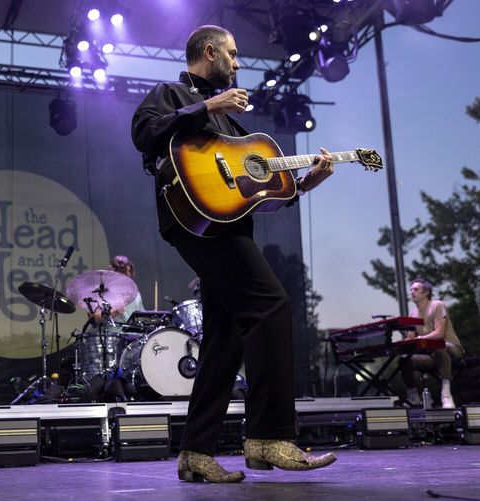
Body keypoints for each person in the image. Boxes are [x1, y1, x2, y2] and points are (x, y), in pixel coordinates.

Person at [131, 25, 336, 483]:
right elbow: (145, 134)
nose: (239, 64)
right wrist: (207, 105)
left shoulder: (233, 124)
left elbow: (256, 187)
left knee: (224, 335)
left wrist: (303, 185)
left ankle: (195, 452)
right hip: (194, 220)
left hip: (228, 223)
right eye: (234, 54)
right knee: (270, 306)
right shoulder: (170, 92)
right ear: (210, 52)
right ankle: (268, 436)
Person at [400, 278, 464, 409]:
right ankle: (413, 397)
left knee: (440, 346)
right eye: (411, 290)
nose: (412, 292)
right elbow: (411, 339)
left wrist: (420, 338)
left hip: (451, 348)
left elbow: (440, 333)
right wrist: (398, 344)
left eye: (416, 289)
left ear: (426, 292)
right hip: (432, 355)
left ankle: (446, 394)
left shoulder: (437, 305)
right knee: (405, 360)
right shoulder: (412, 313)